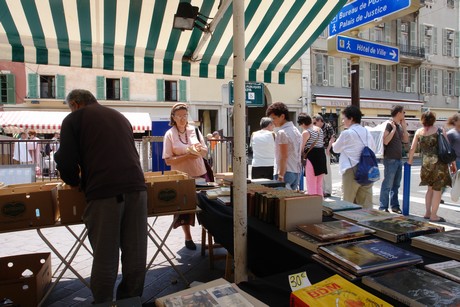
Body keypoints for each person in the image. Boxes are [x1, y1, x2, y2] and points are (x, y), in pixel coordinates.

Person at [54, 89, 147, 303]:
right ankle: (131, 302)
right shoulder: (119, 116)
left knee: (106, 256)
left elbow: (65, 159)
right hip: (137, 187)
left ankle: (104, 303)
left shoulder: (74, 118)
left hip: (104, 190)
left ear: (75, 104)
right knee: (136, 254)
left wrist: (74, 181)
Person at [162, 103, 209, 250]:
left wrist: (200, 151)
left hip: (200, 172)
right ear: (173, 117)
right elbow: (168, 160)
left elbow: (205, 151)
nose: (183, 119)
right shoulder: (169, 134)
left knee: (205, 204)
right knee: (184, 207)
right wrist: (187, 155)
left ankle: (209, 232)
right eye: (179, 116)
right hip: (182, 176)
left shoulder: (194, 130)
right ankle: (188, 237)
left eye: (185, 115)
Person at [408, 111, 452, 222]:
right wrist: (453, 162)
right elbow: (448, 148)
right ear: (433, 120)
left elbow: (412, 148)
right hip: (439, 163)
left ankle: (427, 212)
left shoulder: (419, 132)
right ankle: (434, 215)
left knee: (429, 189)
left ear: (422, 119)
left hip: (426, 163)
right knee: (437, 190)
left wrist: (409, 161)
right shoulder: (439, 130)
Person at [332, 105, 376, 208]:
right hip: (367, 169)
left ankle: (348, 224)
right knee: (366, 204)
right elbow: (373, 148)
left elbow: (336, 149)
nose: (343, 121)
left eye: (344, 119)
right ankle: (365, 223)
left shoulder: (347, 133)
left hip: (351, 169)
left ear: (351, 118)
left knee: (347, 204)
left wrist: (332, 143)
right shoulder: (366, 131)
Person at [378, 105, 409, 214]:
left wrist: (404, 127)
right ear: (399, 113)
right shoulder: (389, 125)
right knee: (387, 184)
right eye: (403, 112)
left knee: (396, 185)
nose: (404, 114)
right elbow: (385, 141)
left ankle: (395, 206)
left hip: (398, 158)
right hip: (390, 158)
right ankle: (383, 207)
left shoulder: (400, 126)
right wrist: (393, 130)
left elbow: (405, 141)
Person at [266, 102, 302, 190]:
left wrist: (281, 175)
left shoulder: (282, 132)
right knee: (291, 202)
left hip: (285, 172)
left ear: (282, 116)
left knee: (282, 202)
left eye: (274, 118)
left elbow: (283, 156)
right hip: (296, 171)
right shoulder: (296, 130)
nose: (273, 122)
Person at [298, 113, 327, 196]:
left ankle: (313, 204)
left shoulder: (306, 132)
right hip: (321, 156)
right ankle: (320, 203)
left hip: (312, 158)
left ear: (303, 123)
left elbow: (302, 148)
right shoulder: (319, 129)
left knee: (311, 184)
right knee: (319, 184)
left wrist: (300, 158)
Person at [313, 115, 335, 197]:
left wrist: (328, 148)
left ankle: (327, 190)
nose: (314, 124)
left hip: (325, 149)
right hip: (318, 150)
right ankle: (321, 189)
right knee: (320, 170)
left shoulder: (328, 127)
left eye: (315, 122)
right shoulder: (316, 129)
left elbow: (333, 138)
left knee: (326, 170)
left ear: (319, 121)